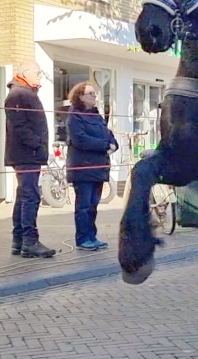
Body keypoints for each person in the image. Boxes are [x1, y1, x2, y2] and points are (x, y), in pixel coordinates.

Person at [4, 61, 56, 258]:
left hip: (28, 154)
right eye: (38, 73)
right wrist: (38, 144)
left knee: (24, 195)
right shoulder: (18, 95)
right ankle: (29, 241)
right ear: (25, 73)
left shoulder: (24, 93)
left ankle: (19, 241)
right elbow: (19, 126)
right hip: (26, 155)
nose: (40, 76)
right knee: (30, 196)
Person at [66, 82, 118, 251]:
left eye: (95, 94)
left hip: (99, 167)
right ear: (80, 96)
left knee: (94, 204)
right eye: (90, 94)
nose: (94, 97)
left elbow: (109, 134)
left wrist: (113, 144)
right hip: (83, 167)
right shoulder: (74, 116)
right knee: (84, 205)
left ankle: (92, 236)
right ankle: (82, 238)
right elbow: (80, 139)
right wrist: (105, 145)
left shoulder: (97, 115)